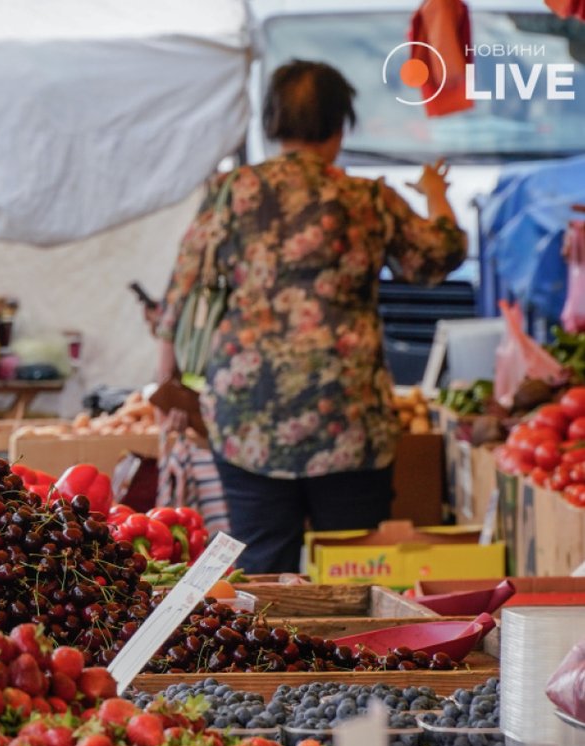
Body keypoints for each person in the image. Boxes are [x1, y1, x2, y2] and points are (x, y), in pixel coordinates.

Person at [154, 60, 467, 574]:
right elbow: (439, 256)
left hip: (248, 417)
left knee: (261, 563)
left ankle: (263, 652)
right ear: (340, 126)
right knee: (352, 565)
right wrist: (435, 195)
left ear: (273, 123)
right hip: (347, 419)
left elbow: (181, 285)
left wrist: (164, 381)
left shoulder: (233, 191)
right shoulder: (367, 198)